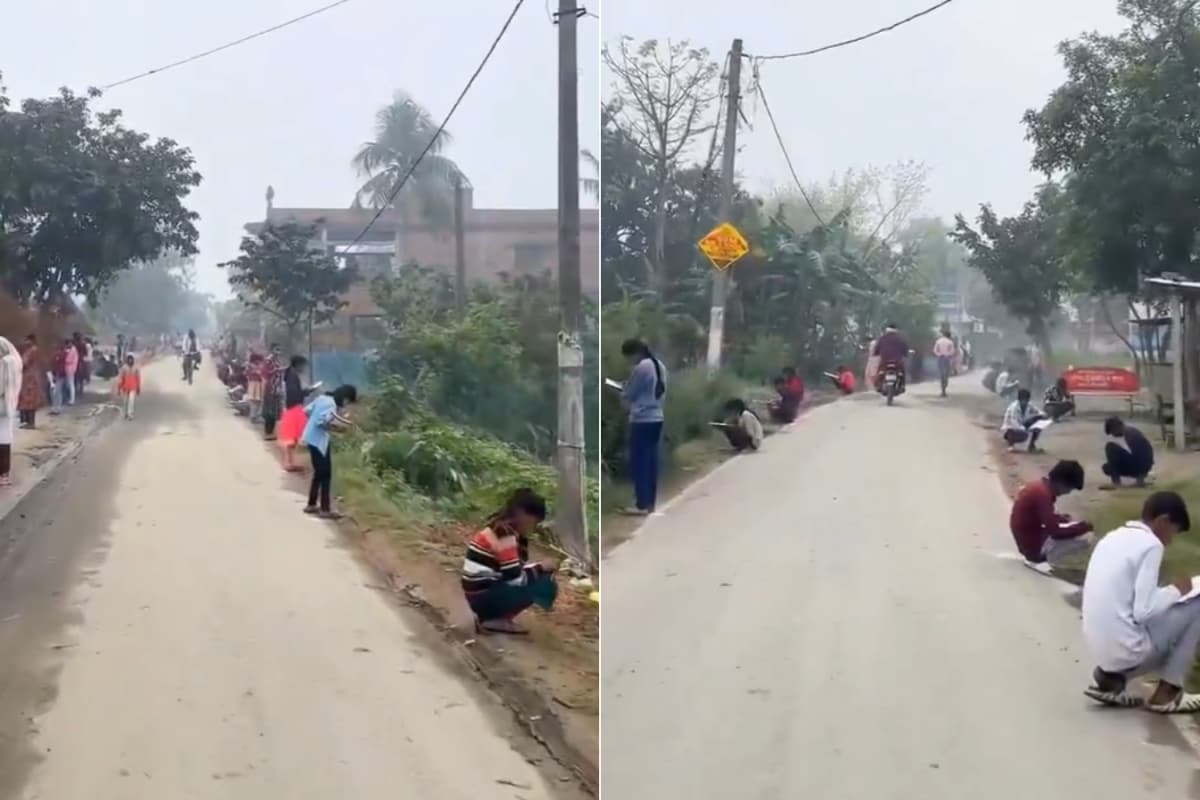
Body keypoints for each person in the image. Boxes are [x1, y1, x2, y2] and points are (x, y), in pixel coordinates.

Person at [1081, 491, 1200, 712]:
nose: (1170, 540)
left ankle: (1111, 678)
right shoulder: (1151, 545)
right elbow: (1143, 612)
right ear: (1162, 521)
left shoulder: (1113, 537)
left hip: (1102, 651)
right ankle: (1168, 692)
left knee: (1174, 602)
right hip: (1128, 653)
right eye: (1173, 532)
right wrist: (1176, 591)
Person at [461, 488, 559, 635]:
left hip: (479, 595)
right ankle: (494, 619)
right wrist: (541, 567)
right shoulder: (505, 533)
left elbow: (512, 569)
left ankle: (493, 618)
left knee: (539, 574)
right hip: (483, 597)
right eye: (534, 522)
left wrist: (539, 566)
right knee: (541, 582)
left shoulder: (499, 527)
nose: (534, 527)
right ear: (522, 514)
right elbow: (516, 578)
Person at [1009, 459, 1093, 575]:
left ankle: (1043, 558)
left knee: (1073, 526)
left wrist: (1064, 520)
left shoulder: (1039, 487)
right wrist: (1083, 527)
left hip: (1028, 539)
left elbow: (1046, 519)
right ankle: (1050, 561)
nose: (1067, 493)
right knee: (1086, 537)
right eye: (1069, 489)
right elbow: (1055, 531)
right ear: (1061, 483)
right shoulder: (1043, 495)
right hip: (1033, 547)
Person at [620, 339, 667, 517]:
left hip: (642, 419)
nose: (629, 362)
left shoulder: (642, 368)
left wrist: (621, 390)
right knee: (652, 462)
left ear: (635, 354)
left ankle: (641, 503)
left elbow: (629, 393)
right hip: (657, 417)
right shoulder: (659, 365)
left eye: (628, 358)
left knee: (639, 463)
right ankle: (650, 504)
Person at [300, 384, 358, 519]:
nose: (346, 404)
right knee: (325, 474)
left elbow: (306, 411)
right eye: (348, 401)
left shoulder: (322, 398)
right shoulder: (331, 404)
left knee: (319, 473)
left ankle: (312, 504)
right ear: (344, 397)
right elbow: (321, 422)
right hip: (319, 441)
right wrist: (337, 428)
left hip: (310, 438)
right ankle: (325, 509)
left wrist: (316, 420)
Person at [276, 355, 312, 472]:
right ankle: (288, 463)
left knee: (292, 438)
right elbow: (294, 394)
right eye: (303, 365)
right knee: (291, 438)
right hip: (293, 408)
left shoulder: (290, 374)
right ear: (298, 365)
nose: (304, 368)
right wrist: (305, 392)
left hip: (292, 407)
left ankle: (289, 463)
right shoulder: (292, 376)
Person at [1101, 416, 1154, 489]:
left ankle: (1116, 483)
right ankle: (1134, 480)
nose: (1113, 435)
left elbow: (1144, 456)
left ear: (1115, 428)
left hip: (1140, 468)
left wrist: (1140, 479)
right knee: (1107, 467)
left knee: (1110, 448)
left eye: (1112, 432)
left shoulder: (1131, 435)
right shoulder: (1129, 432)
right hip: (1141, 467)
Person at [0, 338, 21, 487]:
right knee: (5, 439)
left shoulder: (4, 364)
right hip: (9, 406)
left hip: (1, 404)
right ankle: (4, 475)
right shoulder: (14, 363)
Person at [1001, 388, 1047, 453]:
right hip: (1011, 427)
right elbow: (1013, 422)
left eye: (1027, 400)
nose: (1025, 402)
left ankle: (1031, 446)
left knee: (1039, 421)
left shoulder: (1029, 405)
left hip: (1022, 424)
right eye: (1023, 400)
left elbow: (1037, 411)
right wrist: (1023, 429)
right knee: (1013, 430)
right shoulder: (1014, 407)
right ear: (1019, 399)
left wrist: (1043, 415)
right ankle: (1010, 444)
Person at [872, 323, 909, 390]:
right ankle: (902, 385)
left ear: (887, 330)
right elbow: (905, 350)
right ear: (896, 330)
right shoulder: (900, 339)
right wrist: (906, 354)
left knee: (879, 370)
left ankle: (878, 385)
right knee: (902, 371)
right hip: (897, 362)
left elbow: (876, 349)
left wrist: (875, 353)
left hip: (884, 361)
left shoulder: (882, 339)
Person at [17, 334, 43, 430]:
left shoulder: (31, 351)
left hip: (29, 379)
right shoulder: (35, 350)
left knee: (29, 401)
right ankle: (28, 422)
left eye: (26, 340)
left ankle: (30, 423)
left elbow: (24, 363)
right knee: (29, 401)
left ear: (31, 340)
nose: (25, 342)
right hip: (32, 377)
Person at [261, 345, 283, 440]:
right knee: (269, 412)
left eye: (279, 349)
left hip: (277, 388)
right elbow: (265, 373)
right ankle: (267, 432)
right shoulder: (268, 360)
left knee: (275, 412)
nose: (278, 351)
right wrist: (276, 370)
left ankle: (271, 433)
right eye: (276, 349)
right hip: (270, 388)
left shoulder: (278, 360)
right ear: (272, 350)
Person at [115, 354, 141, 420]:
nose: (130, 361)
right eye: (129, 359)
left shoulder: (136, 368)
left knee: (131, 401)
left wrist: (138, 388)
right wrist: (119, 388)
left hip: (133, 387)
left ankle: (130, 414)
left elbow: (138, 378)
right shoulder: (124, 368)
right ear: (127, 360)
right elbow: (121, 378)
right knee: (125, 401)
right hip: (125, 387)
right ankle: (126, 413)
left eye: (131, 359)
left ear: (133, 360)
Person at [933, 327, 956, 397]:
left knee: (941, 374)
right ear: (949, 336)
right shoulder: (950, 342)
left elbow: (935, 350)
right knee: (946, 374)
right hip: (947, 359)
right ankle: (944, 388)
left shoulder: (938, 341)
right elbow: (952, 351)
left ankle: (943, 390)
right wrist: (947, 354)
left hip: (940, 358)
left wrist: (939, 354)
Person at [245, 352, 265, 422]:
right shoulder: (257, 366)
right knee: (257, 401)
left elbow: (246, 373)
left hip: (252, 383)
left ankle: (253, 416)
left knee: (253, 401)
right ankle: (254, 417)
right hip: (257, 384)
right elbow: (260, 373)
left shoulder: (249, 365)